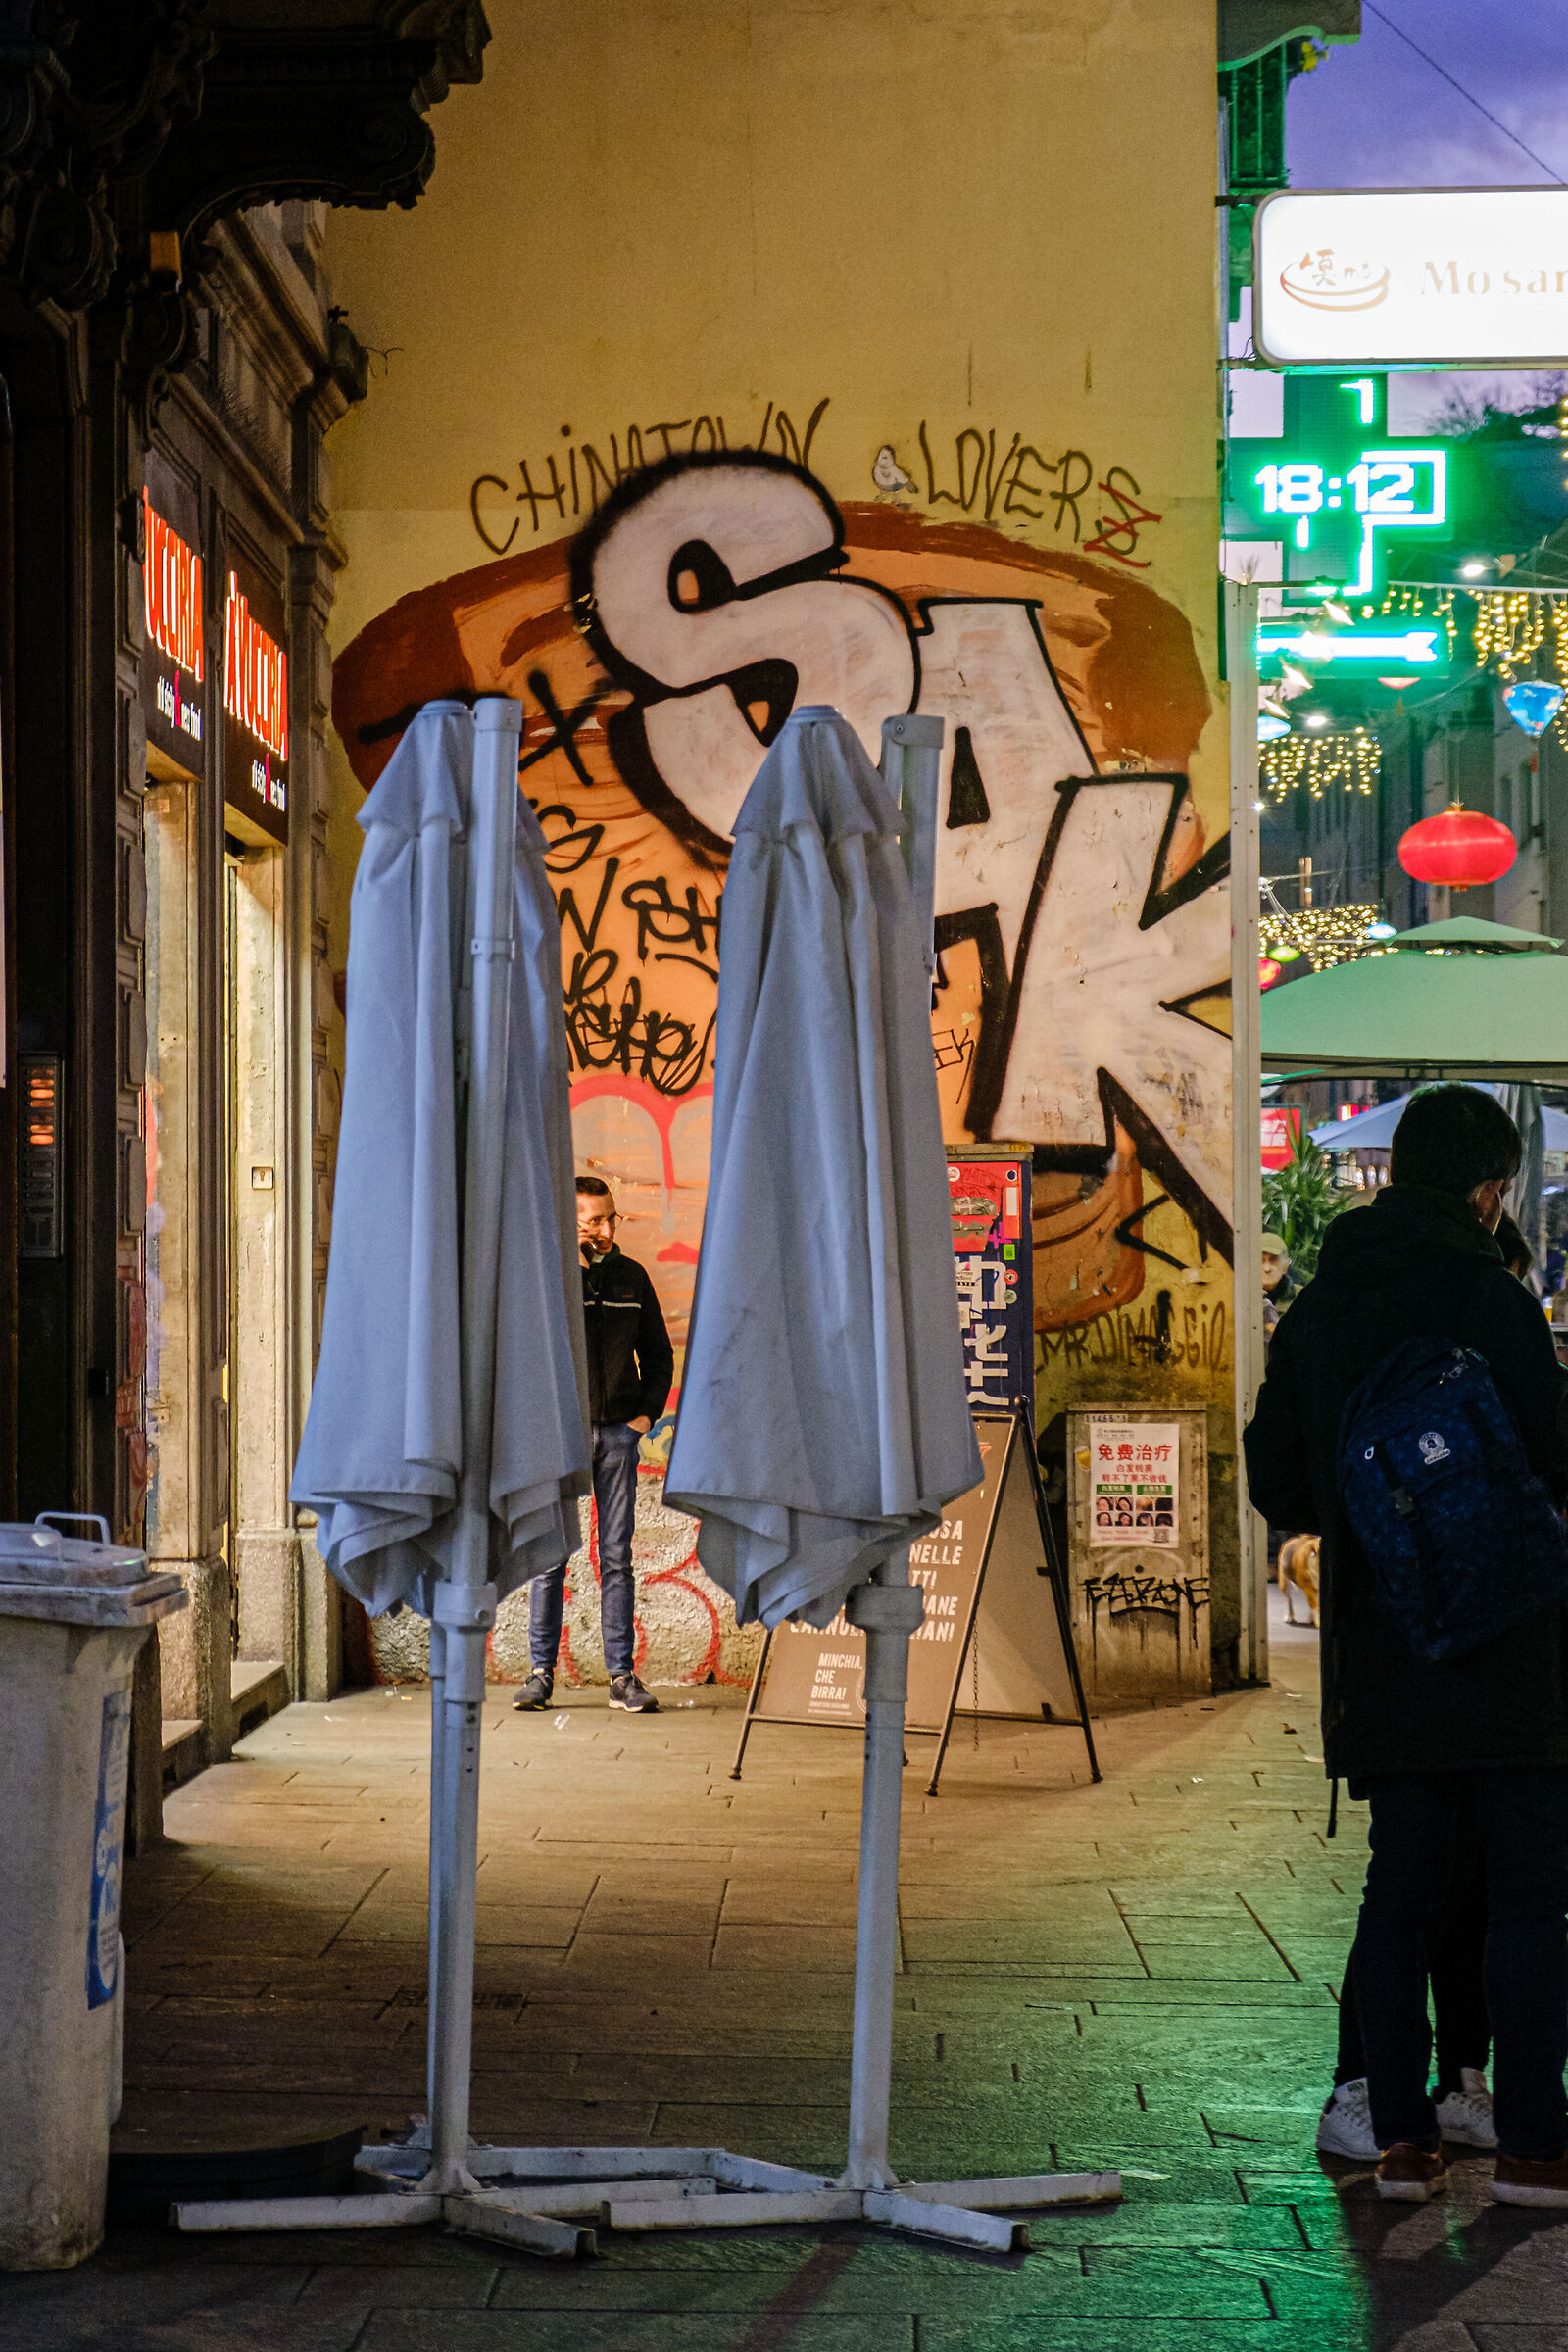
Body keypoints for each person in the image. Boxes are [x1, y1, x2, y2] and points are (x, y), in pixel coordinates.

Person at [1245, 1084, 1568, 2207]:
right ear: (1487, 1190)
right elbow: (1555, 1462)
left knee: (1401, 1882)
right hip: (1512, 1646)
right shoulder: (1491, 1298)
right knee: (1528, 1893)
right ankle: (1530, 2145)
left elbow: (1272, 1478)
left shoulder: (1325, 1308)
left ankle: (1399, 2141)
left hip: (1384, 1645)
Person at [514, 1174, 673, 1716]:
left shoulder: (633, 1278)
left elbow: (658, 1356)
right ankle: (539, 1674)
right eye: (593, 1221)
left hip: (617, 1434)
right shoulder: (553, 1278)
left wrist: (642, 1418)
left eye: (611, 1218)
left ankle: (622, 1677)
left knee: (616, 1557)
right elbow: (528, 1349)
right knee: (549, 1555)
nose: (606, 1229)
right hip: (561, 1434)